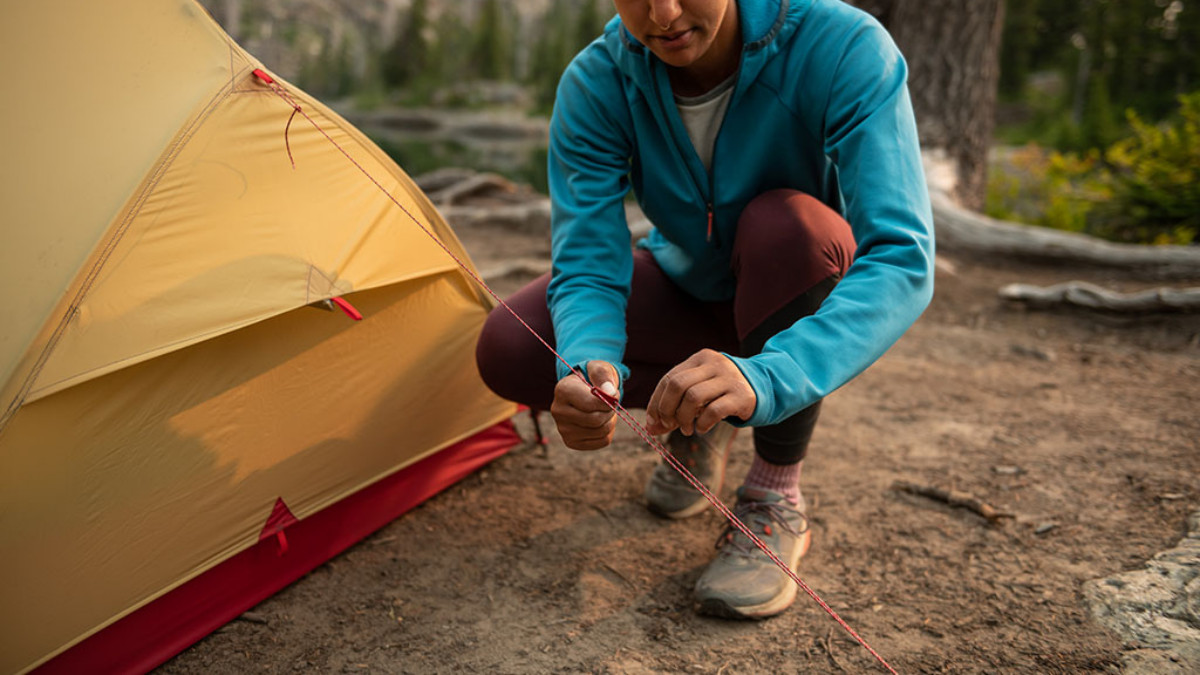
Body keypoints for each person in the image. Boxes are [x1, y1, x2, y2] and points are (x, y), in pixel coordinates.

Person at [475, 0, 933, 620]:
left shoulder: (843, 46)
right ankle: (698, 416)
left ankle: (773, 494)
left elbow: (902, 256)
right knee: (512, 346)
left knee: (787, 230)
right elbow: (587, 259)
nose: (662, 13)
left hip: (794, 285)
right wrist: (588, 367)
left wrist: (767, 375)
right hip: (687, 281)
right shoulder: (599, 79)